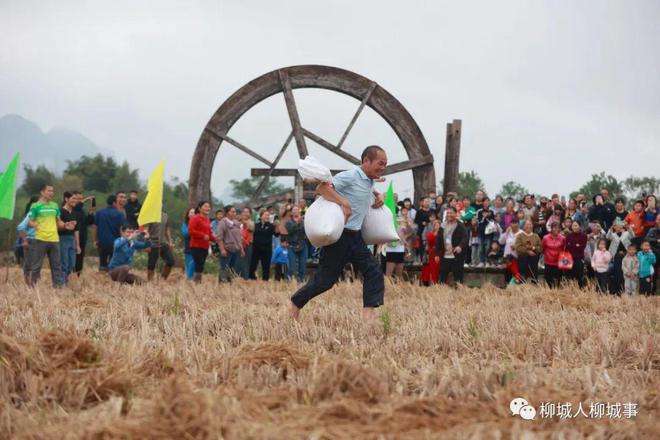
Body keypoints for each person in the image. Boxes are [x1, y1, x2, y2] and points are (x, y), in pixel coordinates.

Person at [290, 145, 387, 321]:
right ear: (366, 161)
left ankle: (369, 317)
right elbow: (322, 189)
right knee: (325, 281)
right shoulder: (350, 175)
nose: (383, 168)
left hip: (356, 236)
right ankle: (295, 303)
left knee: (373, 271)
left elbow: (364, 188)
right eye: (380, 163)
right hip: (340, 237)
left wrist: (377, 194)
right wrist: (344, 203)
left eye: (385, 164)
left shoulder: (369, 180)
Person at [25, 184, 67, 288]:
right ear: (42, 192)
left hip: (54, 239)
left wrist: (66, 225)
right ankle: (33, 287)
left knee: (56, 265)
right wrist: (34, 225)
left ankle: (58, 287)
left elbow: (59, 221)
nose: (51, 193)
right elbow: (30, 221)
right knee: (37, 265)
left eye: (52, 191)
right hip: (40, 239)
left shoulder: (55, 205)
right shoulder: (35, 206)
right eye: (49, 191)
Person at [434, 207, 468, 285]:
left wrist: (460, 246)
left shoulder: (460, 225)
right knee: (442, 278)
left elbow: (465, 238)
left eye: (451, 213)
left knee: (458, 279)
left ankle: (459, 291)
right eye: (448, 213)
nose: (449, 215)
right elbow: (438, 240)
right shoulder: (443, 225)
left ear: (455, 214)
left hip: (456, 256)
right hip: (445, 255)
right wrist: (436, 254)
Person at [93, 195, 126, 271]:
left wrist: (95, 240)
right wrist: (123, 242)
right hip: (115, 243)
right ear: (114, 203)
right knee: (113, 265)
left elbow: (95, 227)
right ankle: (111, 276)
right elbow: (122, 229)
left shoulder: (99, 213)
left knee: (102, 264)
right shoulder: (120, 214)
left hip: (102, 242)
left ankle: (102, 276)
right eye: (117, 202)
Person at [188, 201, 216, 283]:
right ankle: (196, 282)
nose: (208, 208)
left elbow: (209, 233)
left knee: (201, 265)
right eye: (205, 206)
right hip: (196, 246)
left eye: (209, 207)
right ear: (200, 208)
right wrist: (202, 235)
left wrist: (216, 239)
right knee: (199, 264)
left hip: (205, 246)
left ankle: (196, 282)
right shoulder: (195, 218)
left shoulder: (207, 219)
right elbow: (191, 230)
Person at [144, 211, 175, 281]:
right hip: (152, 243)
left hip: (163, 243)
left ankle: (163, 279)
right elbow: (145, 230)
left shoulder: (165, 215)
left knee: (170, 261)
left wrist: (170, 241)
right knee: (151, 265)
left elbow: (167, 229)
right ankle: (150, 282)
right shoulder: (150, 215)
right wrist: (146, 244)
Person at [217, 205, 244, 283]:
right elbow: (219, 238)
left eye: (235, 212)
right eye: (232, 211)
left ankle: (229, 284)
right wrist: (222, 249)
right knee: (224, 267)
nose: (234, 213)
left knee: (232, 268)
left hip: (236, 249)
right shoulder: (222, 223)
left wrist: (241, 249)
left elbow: (239, 237)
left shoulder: (236, 223)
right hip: (227, 249)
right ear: (227, 213)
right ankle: (223, 283)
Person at [606, 219, 633, 294]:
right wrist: (611, 228)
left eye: (620, 226)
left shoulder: (626, 234)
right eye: (616, 226)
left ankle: (627, 290)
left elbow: (633, 236)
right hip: (616, 257)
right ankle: (617, 290)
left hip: (626, 256)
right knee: (617, 273)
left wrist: (628, 227)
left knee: (626, 273)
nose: (618, 227)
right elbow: (607, 236)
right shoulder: (613, 235)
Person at [58, 191, 80, 285]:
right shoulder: (60, 211)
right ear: (66, 199)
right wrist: (65, 226)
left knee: (72, 265)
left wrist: (77, 244)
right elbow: (58, 227)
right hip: (62, 239)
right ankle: (62, 284)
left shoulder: (74, 212)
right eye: (73, 198)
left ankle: (66, 282)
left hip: (72, 240)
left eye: (76, 199)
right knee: (64, 264)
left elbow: (76, 230)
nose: (75, 201)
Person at [16, 196, 39, 284]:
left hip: (39, 240)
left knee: (35, 264)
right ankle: (29, 284)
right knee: (30, 263)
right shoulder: (30, 214)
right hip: (31, 240)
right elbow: (20, 227)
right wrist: (25, 240)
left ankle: (34, 283)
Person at [250, 210, 278, 280]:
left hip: (267, 249)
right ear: (261, 216)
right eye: (265, 215)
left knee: (266, 267)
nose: (267, 216)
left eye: (268, 215)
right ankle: (252, 279)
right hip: (256, 249)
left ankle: (265, 281)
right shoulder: (256, 225)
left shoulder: (271, 226)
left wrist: (277, 226)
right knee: (252, 265)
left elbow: (276, 234)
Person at [72, 192, 96, 274]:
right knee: (73, 258)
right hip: (73, 238)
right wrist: (85, 200)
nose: (79, 200)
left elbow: (86, 222)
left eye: (80, 198)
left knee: (80, 258)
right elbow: (77, 207)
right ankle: (71, 274)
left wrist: (91, 213)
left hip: (82, 237)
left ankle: (78, 274)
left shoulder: (81, 210)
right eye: (77, 198)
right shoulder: (71, 209)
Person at [514, 219, 542, 283]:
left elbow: (540, 248)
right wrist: (528, 251)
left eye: (530, 224)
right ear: (523, 226)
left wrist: (533, 248)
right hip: (523, 261)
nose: (528, 226)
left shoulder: (536, 236)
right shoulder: (520, 236)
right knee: (522, 279)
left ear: (532, 226)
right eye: (526, 224)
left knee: (534, 279)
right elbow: (518, 247)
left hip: (533, 262)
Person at [286, 207, 308, 282]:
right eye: (294, 210)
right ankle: (288, 281)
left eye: (297, 210)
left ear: (299, 211)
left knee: (302, 268)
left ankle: (301, 282)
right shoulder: (288, 222)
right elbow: (290, 231)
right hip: (292, 246)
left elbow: (307, 231)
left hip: (303, 245)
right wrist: (297, 223)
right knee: (292, 267)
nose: (295, 211)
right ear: (291, 213)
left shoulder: (304, 222)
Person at [541, 222, 566, 288]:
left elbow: (564, 249)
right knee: (548, 278)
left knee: (558, 279)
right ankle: (550, 290)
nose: (556, 229)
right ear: (551, 229)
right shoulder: (545, 238)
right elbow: (542, 248)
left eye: (558, 228)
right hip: (548, 262)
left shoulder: (562, 238)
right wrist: (548, 255)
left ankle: (556, 291)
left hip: (558, 262)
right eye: (554, 228)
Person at [565, 220, 588, 288]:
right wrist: (576, 245)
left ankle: (580, 289)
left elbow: (582, 247)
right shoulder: (568, 236)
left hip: (579, 258)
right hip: (569, 258)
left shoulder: (583, 236)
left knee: (579, 276)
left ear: (579, 226)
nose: (574, 227)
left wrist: (572, 245)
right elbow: (567, 247)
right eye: (573, 226)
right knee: (569, 276)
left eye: (576, 225)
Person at [499, 221, 520, 285]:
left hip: (516, 258)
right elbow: (501, 242)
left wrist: (516, 247)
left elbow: (523, 244)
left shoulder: (521, 233)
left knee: (516, 276)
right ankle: (507, 286)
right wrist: (506, 233)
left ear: (518, 225)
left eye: (515, 225)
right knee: (507, 275)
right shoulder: (508, 232)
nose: (514, 227)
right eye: (512, 225)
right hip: (507, 258)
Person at [420, 219, 440, 286]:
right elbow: (428, 241)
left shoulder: (442, 233)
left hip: (438, 252)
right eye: (435, 225)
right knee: (429, 267)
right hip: (431, 252)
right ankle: (428, 281)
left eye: (438, 225)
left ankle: (435, 281)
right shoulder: (431, 233)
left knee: (436, 268)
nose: (437, 226)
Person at [644, 213, 660, 293]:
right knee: (654, 271)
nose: (659, 221)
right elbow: (647, 238)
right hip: (655, 253)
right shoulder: (652, 229)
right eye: (658, 219)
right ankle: (652, 290)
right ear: (656, 220)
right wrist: (657, 240)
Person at [181, 208, 196, 281]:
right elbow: (186, 233)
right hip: (189, 247)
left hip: (198, 247)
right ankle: (189, 280)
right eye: (191, 212)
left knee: (196, 265)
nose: (193, 214)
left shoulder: (199, 222)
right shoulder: (185, 224)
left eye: (194, 212)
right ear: (188, 214)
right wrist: (195, 231)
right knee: (190, 264)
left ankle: (195, 281)